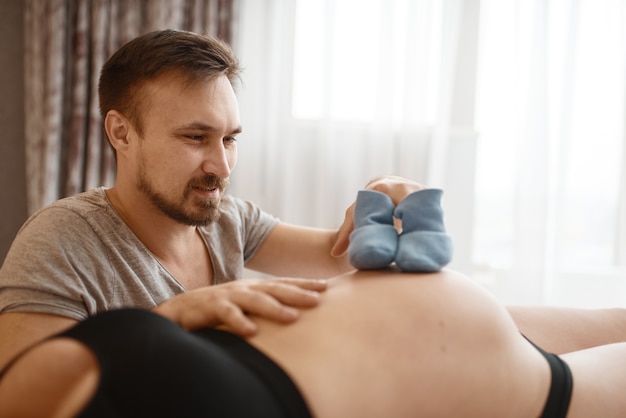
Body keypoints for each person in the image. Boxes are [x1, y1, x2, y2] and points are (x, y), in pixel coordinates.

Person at [1, 29, 626, 416]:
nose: (220, 165)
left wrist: (379, 195)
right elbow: (18, 394)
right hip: (456, 371)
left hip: (439, 340)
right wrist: (172, 317)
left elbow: (336, 254)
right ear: (120, 132)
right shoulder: (62, 241)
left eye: (231, 138)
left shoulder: (222, 216)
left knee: (591, 324)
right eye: (196, 138)